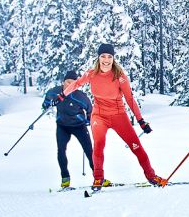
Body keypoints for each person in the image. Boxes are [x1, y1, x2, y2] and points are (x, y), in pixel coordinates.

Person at [54, 43, 164, 191]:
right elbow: (76, 84)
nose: (106, 60)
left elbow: (130, 99)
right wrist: (62, 95)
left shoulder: (120, 77)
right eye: (103, 56)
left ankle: (151, 176)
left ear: (113, 58)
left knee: (136, 146)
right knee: (98, 145)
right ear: (98, 58)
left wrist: (140, 120)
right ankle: (98, 179)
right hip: (99, 115)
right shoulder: (91, 73)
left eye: (109, 57)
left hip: (119, 116)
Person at [42, 70, 94, 188]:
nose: (70, 85)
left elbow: (90, 109)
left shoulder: (80, 96)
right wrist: (47, 104)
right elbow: (46, 102)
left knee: (89, 151)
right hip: (62, 126)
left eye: (73, 83)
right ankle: (65, 179)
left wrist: (88, 120)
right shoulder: (54, 92)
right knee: (61, 150)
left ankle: (98, 177)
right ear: (63, 82)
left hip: (79, 126)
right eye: (68, 82)